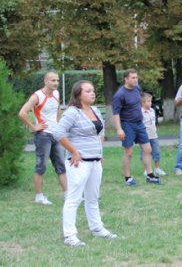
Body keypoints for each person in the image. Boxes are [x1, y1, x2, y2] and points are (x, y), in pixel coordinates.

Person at [53, 80, 117, 247]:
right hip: (79, 164)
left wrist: (99, 153)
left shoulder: (95, 110)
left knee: (93, 197)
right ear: (78, 94)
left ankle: (97, 229)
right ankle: (70, 236)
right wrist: (73, 151)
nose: (92, 93)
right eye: (88, 91)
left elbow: (100, 132)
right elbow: (58, 133)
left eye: (93, 90)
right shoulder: (72, 112)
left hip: (95, 162)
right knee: (74, 198)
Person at [18, 70, 67, 205]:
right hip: (43, 136)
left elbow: (58, 109)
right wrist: (34, 127)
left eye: (57, 80)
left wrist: (58, 125)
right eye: (53, 80)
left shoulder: (56, 94)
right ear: (45, 81)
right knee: (41, 166)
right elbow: (22, 113)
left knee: (61, 166)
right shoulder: (37, 96)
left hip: (55, 135)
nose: (56, 83)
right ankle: (39, 197)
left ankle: (67, 195)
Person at [112, 69, 160, 186]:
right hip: (127, 125)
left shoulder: (137, 89)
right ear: (126, 79)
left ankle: (150, 176)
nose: (135, 80)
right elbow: (116, 113)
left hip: (139, 123)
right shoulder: (120, 94)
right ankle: (128, 178)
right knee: (129, 152)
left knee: (148, 150)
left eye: (136, 77)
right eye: (133, 78)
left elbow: (138, 104)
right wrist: (119, 129)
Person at [140, 92, 166, 176]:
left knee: (156, 152)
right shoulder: (140, 112)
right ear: (143, 102)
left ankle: (157, 168)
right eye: (148, 101)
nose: (150, 103)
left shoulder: (152, 110)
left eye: (150, 101)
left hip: (154, 135)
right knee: (146, 153)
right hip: (145, 136)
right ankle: (146, 169)